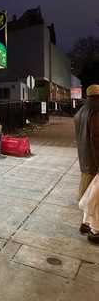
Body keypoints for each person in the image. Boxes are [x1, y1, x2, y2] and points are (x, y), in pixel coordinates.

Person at [74, 84, 99, 243]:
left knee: (88, 194)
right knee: (94, 198)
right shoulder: (95, 113)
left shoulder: (80, 112)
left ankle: (85, 223)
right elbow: (96, 140)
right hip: (94, 160)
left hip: (84, 158)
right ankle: (94, 228)